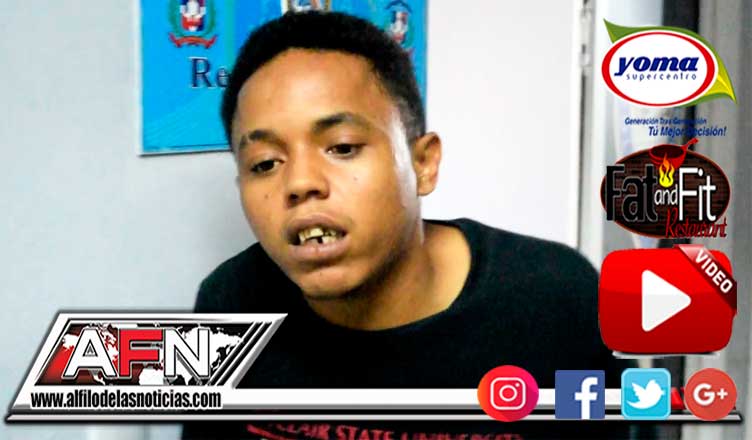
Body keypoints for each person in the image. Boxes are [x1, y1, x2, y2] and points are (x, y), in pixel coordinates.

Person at [184, 10, 641, 440]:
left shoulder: (558, 300)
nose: (300, 183)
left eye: (342, 147)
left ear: (423, 164)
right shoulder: (227, 306)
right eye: (265, 163)